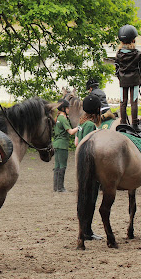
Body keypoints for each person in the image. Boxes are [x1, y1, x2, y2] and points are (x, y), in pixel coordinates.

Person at [75, 93, 102, 240]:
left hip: (80, 163)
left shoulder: (81, 123)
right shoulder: (91, 125)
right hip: (89, 165)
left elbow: (77, 143)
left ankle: (84, 229)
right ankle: (87, 231)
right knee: (91, 197)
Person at [115, 24, 141, 132]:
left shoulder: (118, 54)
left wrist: (121, 78)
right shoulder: (138, 54)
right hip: (135, 81)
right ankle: (134, 124)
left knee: (123, 101)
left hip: (123, 81)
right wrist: (139, 82)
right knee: (134, 102)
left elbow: (117, 70)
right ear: (133, 40)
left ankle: (123, 122)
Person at [52, 98, 77, 192]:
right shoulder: (63, 119)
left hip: (56, 144)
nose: (69, 110)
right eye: (67, 108)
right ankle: (61, 188)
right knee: (63, 166)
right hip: (62, 145)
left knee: (57, 166)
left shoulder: (58, 118)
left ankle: (56, 187)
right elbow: (70, 132)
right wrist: (80, 127)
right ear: (63, 108)